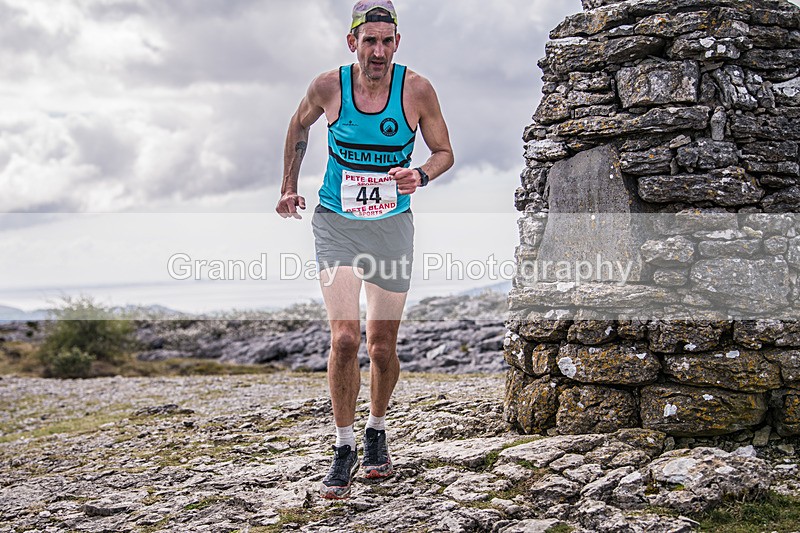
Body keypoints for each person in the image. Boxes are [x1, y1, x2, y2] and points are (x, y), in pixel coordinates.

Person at [276, 0, 454, 500]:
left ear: (397, 43)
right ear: (352, 42)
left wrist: (418, 174)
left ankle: (376, 430)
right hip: (336, 223)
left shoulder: (416, 90)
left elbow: (445, 152)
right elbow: (298, 124)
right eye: (369, 40)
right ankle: (344, 444)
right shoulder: (328, 86)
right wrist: (288, 186)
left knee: (380, 344)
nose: (378, 51)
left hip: (391, 226)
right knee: (345, 339)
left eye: (387, 41)